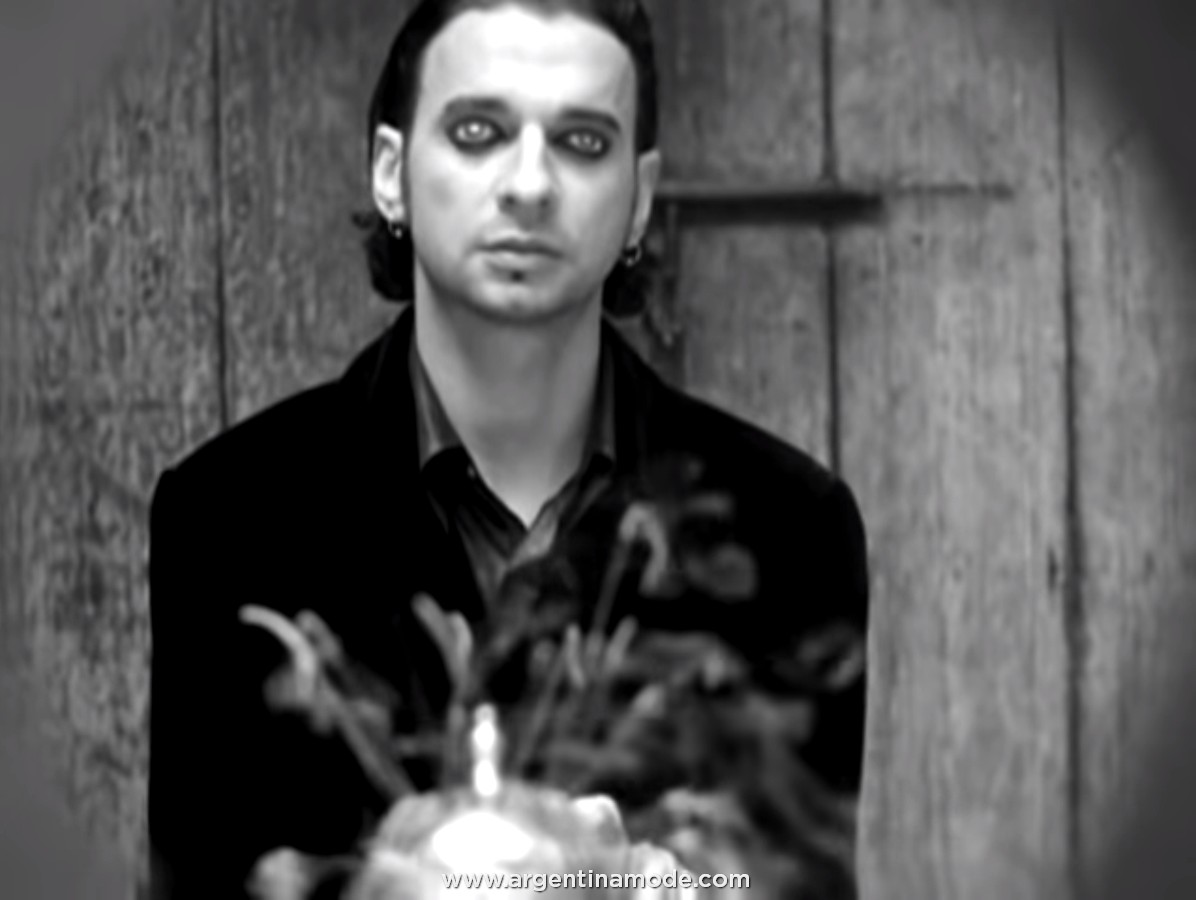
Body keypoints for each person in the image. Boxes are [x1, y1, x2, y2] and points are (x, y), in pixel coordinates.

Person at [146, 1, 871, 897]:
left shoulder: (789, 527)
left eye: (583, 142)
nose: (531, 184)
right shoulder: (227, 517)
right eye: (478, 132)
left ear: (639, 198)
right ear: (390, 174)